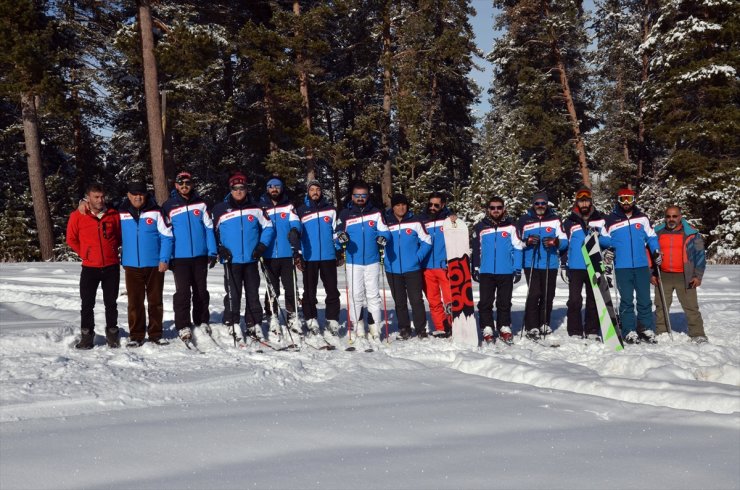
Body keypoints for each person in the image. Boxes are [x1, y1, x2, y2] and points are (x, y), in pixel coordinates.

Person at [212, 171, 275, 339]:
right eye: (235, 188)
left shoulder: (256, 208)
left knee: (253, 293)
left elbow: (268, 227)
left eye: (242, 188)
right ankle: (231, 322)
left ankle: (253, 323)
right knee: (233, 293)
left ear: (246, 189)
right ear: (230, 189)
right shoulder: (220, 209)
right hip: (231, 260)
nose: (238, 191)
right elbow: (212, 232)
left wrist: (262, 246)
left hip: (251, 258)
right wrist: (219, 248)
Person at [161, 170, 218, 342]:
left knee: (201, 291)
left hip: (200, 255)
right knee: (183, 292)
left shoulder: (201, 204)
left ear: (192, 185)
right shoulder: (168, 206)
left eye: (188, 183)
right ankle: (183, 324)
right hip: (180, 257)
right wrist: (168, 257)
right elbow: (166, 233)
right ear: (176, 186)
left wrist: (212, 250)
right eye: (181, 184)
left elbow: (209, 228)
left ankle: (201, 321)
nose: (184, 187)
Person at [66, 183, 122, 349]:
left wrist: (111, 250)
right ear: (88, 198)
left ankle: (112, 334)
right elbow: (71, 238)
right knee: (87, 303)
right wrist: (85, 253)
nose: (100, 200)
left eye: (102, 196)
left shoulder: (113, 215)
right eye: (96, 197)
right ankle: (87, 336)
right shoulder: (78, 215)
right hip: (90, 267)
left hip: (111, 266)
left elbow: (118, 236)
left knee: (111, 303)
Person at [603, 187, 661, 344]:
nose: (626, 202)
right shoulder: (610, 220)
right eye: (623, 199)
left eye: (629, 198)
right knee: (626, 300)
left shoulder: (642, 218)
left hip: (641, 265)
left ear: (634, 200)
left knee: (644, 299)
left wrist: (656, 251)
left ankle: (645, 328)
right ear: (618, 201)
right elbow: (604, 239)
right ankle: (629, 330)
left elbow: (651, 237)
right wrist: (608, 249)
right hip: (622, 266)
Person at [118, 182, 173, 346]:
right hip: (131, 265)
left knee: (155, 301)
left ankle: (156, 333)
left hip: (154, 265)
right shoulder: (121, 212)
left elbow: (167, 236)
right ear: (128, 195)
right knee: (134, 302)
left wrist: (164, 259)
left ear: (146, 195)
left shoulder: (156, 211)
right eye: (134, 194)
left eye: (141, 194)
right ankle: (136, 335)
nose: (138, 197)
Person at [335, 181, 390, 340]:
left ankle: (374, 327)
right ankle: (358, 325)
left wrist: (382, 238)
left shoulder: (376, 213)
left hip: (372, 261)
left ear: (367, 196)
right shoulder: (345, 214)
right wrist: (341, 238)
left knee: (373, 294)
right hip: (353, 261)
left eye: (363, 195)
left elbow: (386, 232)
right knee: (355, 294)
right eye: (357, 195)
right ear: (352, 196)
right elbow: (336, 234)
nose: (360, 198)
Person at [291, 180, 342, 336]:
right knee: (309, 291)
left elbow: (337, 232)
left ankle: (332, 319)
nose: (315, 192)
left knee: (332, 289)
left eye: (317, 189)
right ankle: (311, 318)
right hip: (309, 256)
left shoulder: (331, 210)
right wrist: (297, 254)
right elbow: (296, 234)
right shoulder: (300, 211)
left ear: (321, 191)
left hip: (328, 256)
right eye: (312, 189)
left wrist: (339, 250)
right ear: (308, 192)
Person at [471, 196, 524, 343]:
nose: (496, 210)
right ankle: (487, 327)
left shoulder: (511, 226)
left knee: (504, 302)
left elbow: (518, 248)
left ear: (503, 209)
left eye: (499, 207)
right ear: (488, 210)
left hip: (506, 271)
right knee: (485, 302)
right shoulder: (481, 227)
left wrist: (517, 269)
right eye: (493, 208)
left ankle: (504, 326)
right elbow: (476, 249)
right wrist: (475, 268)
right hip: (486, 271)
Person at [517, 191, 568, 339]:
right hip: (531, 262)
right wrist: (528, 241)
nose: (540, 206)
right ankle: (532, 326)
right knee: (534, 294)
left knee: (548, 294)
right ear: (533, 204)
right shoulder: (524, 220)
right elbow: (517, 243)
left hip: (549, 262)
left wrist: (556, 242)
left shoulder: (555, 219)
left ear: (547, 204)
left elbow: (564, 241)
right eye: (537, 203)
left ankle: (544, 322)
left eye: (543, 203)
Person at [651, 206, 707, 343]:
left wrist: (698, 276)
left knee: (691, 306)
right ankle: (662, 332)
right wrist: (651, 273)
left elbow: (700, 255)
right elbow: (648, 253)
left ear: (680, 217)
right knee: (661, 305)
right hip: (663, 275)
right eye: (668, 216)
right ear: (665, 218)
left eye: (674, 216)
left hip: (685, 276)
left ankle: (697, 333)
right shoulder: (656, 233)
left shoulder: (692, 234)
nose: (671, 219)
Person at [561, 187, 610, 340]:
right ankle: (574, 330)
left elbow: (608, 241)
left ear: (590, 202)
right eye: (581, 201)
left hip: (594, 265)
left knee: (594, 299)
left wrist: (598, 236)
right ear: (577, 202)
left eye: (586, 201)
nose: (584, 204)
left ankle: (592, 330)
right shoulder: (569, 221)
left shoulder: (601, 219)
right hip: (575, 267)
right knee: (574, 300)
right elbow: (564, 244)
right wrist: (563, 265)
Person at [384, 193, 432, 340]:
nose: (401, 207)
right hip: (392, 269)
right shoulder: (386, 222)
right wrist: (384, 258)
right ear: (393, 207)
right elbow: (377, 240)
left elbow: (427, 241)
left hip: (412, 268)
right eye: (398, 205)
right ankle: (404, 328)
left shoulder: (415, 221)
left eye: (404, 204)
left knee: (416, 300)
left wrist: (417, 258)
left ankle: (420, 329)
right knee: (399, 301)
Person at [258, 176, 301, 335]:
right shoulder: (261, 207)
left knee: (290, 286)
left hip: (286, 253)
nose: (274, 189)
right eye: (271, 186)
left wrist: (295, 230)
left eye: (277, 186)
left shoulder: (288, 206)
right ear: (267, 189)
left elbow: (295, 221)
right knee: (271, 288)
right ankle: (272, 316)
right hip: (268, 254)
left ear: (281, 188)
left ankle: (292, 315)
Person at [418, 192, 455, 338]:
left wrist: (454, 220)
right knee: (433, 300)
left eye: (436, 205)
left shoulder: (448, 220)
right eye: (430, 204)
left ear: (443, 205)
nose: (432, 207)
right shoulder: (421, 220)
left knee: (450, 299)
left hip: (443, 266)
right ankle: (441, 327)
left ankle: (453, 325)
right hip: (426, 267)